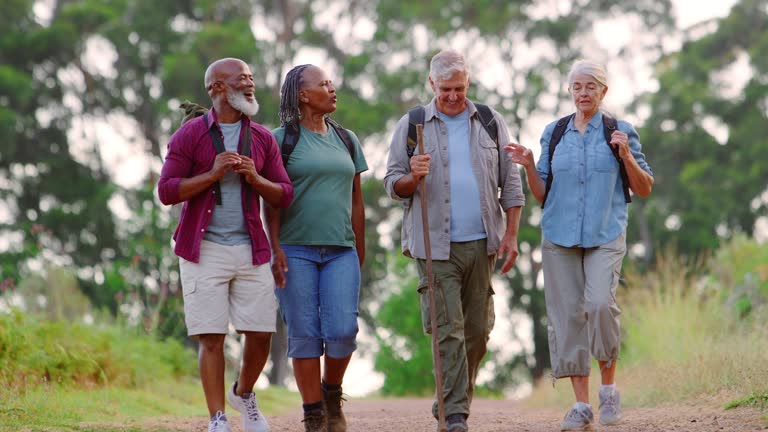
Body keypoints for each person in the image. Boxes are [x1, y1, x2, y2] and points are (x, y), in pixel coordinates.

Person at [506, 59, 653, 430]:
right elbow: (543, 194)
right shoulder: (554, 133)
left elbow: (644, 187)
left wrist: (627, 156)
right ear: (569, 91)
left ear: (604, 92)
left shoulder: (621, 131)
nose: (583, 93)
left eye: (591, 86)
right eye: (577, 86)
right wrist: (527, 164)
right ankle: (582, 406)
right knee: (567, 316)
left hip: (605, 233)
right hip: (559, 236)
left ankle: (608, 391)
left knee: (600, 304)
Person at [383, 50, 525, 432]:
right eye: (445, 89)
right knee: (447, 329)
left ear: (469, 83)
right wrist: (411, 177)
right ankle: (455, 415)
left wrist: (511, 235)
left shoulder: (491, 121)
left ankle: (450, 399)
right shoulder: (412, 125)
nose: (452, 96)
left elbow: (511, 183)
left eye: (459, 88)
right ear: (432, 84)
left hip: (482, 244)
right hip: (434, 247)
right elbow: (392, 185)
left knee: (477, 332)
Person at [158, 58, 294, 432]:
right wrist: (212, 174)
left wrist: (255, 178)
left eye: (251, 78)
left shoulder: (263, 138)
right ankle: (217, 419)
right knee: (212, 337)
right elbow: (166, 191)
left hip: (252, 248)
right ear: (217, 88)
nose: (250, 85)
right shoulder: (189, 136)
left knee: (262, 333)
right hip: (203, 251)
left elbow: (283, 193)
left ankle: (244, 393)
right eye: (241, 80)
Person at [265, 64, 368, 432]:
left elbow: (357, 201)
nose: (332, 88)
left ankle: (331, 393)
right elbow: (272, 202)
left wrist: (359, 248)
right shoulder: (280, 140)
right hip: (295, 250)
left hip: (341, 250)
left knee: (342, 330)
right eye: (324, 84)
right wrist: (274, 247)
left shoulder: (347, 139)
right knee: (304, 334)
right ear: (303, 95)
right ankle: (313, 415)